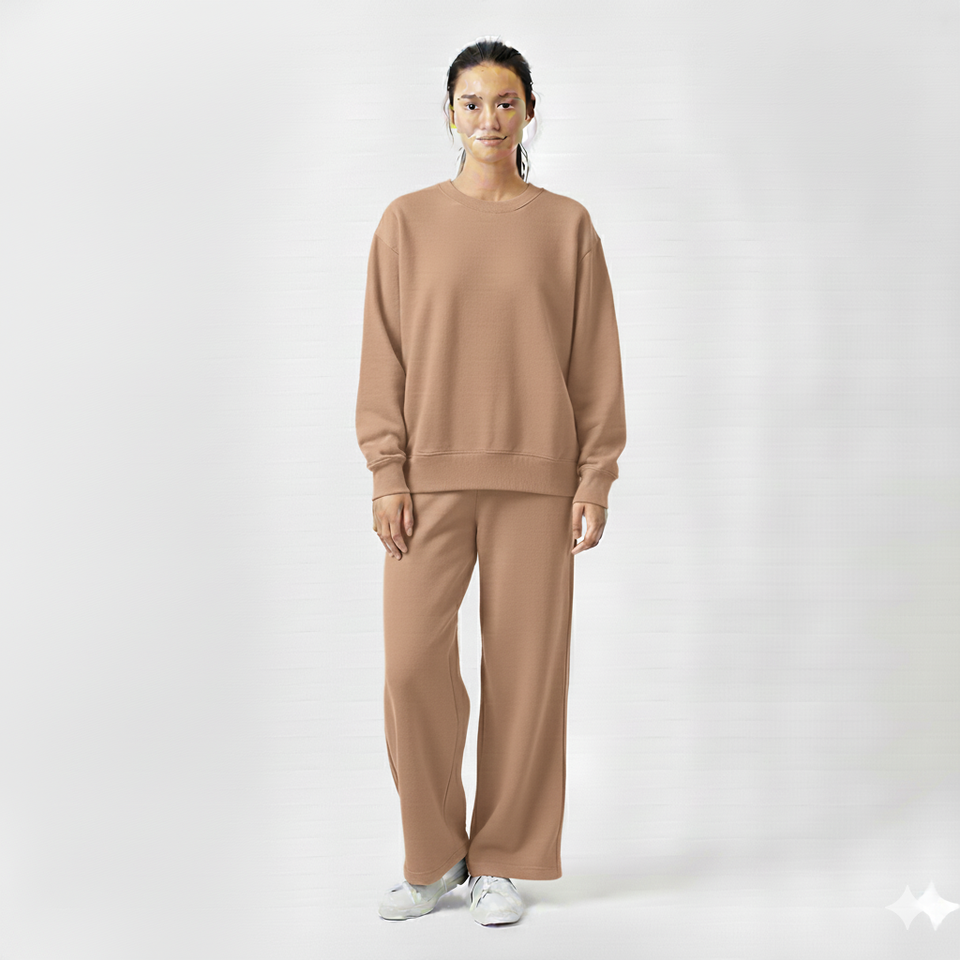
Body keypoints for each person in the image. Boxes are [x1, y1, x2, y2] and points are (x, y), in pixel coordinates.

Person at [356, 38, 627, 926]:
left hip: (539, 481)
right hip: (426, 483)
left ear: (530, 112)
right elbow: (383, 354)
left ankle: (501, 859)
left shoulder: (567, 226)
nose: (489, 118)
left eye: (505, 102)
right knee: (410, 668)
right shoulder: (405, 223)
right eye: (472, 103)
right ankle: (434, 857)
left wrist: (595, 477)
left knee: (525, 675)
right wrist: (387, 471)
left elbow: (594, 362)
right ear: (449, 114)